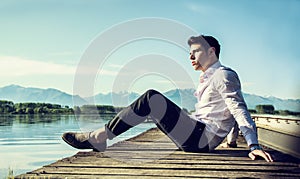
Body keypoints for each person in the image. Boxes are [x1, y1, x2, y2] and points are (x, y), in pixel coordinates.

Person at [62, 35, 273, 162]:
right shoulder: (210, 77)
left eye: (196, 51)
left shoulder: (223, 75)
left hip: (199, 140)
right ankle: (101, 135)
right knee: (152, 104)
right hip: (199, 136)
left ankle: (100, 137)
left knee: (151, 98)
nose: (190, 57)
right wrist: (231, 141)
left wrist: (254, 145)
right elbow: (227, 110)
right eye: (189, 53)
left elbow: (238, 109)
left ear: (212, 51)